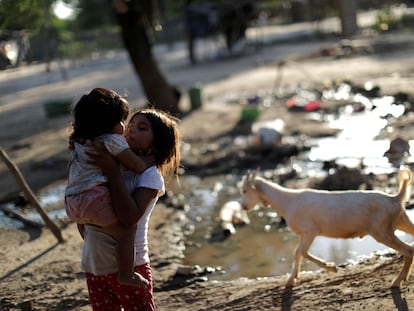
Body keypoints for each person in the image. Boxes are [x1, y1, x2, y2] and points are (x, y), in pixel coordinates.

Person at [81, 107, 181, 310]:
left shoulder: (149, 176)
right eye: (131, 125)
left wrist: (113, 174)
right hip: (94, 265)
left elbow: (129, 218)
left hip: (131, 267)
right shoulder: (111, 164)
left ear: (156, 145)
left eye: (142, 128)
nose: (131, 130)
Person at [65, 87, 153, 287]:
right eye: (122, 121)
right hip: (94, 200)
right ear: (108, 123)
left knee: (90, 228)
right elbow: (136, 165)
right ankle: (126, 274)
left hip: (71, 202)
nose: (125, 126)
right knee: (126, 232)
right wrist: (149, 160)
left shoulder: (80, 141)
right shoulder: (111, 140)